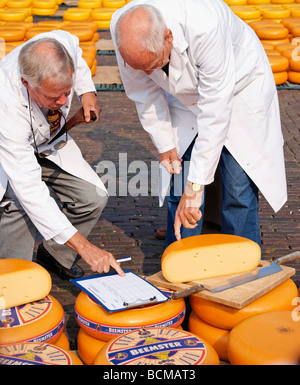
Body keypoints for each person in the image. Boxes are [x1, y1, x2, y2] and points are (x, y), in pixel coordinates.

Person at [110, 0, 287, 249]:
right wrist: (165, 143)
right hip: (183, 98)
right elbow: (143, 94)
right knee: (179, 177)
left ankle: (243, 258)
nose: (149, 74)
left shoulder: (206, 25)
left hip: (238, 90)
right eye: (142, 69)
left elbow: (215, 111)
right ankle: (179, 255)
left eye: (153, 66)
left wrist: (196, 186)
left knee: (237, 184)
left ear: (168, 37)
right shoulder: (123, 29)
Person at [0, 30, 124, 279]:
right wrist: (85, 247)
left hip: (47, 143)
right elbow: (30, 189)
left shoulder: (60, 43)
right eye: (52, 96)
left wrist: (88, 91)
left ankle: (55, 255)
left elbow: (76, 53)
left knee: (93, 196)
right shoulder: (7, 104)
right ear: (26, 83)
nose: (63, 100)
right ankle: (14, 277)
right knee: (17, 203)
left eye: (67, 91)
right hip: (9, 154)